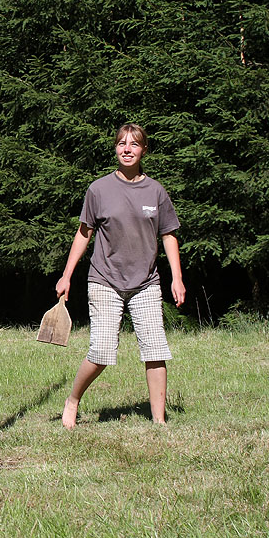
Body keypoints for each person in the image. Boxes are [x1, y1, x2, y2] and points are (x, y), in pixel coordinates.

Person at [55, 123, 185, 429]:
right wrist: (66, 275)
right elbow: (84, 233)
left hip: (146, 282)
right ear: (116, 148)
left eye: (134, 145)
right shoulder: (98, 190)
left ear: (143, 151)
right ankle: (73, 400)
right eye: (122, 144)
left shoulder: (155, 191)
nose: (127, 149)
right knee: (101, 353)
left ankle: (159, 421)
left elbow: (168, 235)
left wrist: (176, 278)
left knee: (155, 349)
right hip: (105, 280)